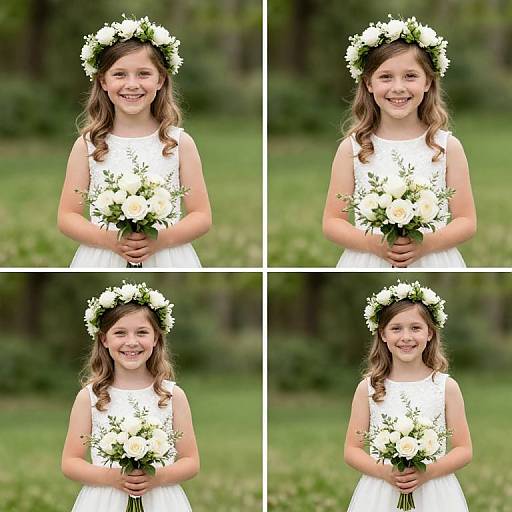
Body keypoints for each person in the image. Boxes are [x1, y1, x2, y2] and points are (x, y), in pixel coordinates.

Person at [323, 16, 476, 267]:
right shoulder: (353, 148)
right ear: (368, 84)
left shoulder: (447, 147)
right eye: (385, 77)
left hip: (432, 257)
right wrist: (372, 243)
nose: (398, 87)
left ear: (427, 82)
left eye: (410, 76)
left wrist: (426, 244)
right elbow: (332, 222)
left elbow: (467, 221)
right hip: (369, 258)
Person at [58, 16, 211, 267]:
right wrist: (111, 241)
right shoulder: (88, 145)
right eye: (119, 74)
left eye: (143, 74)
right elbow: (67, 216)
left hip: (166, 256)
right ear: (103, 81)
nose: (132, 84)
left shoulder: (179, 143)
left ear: (160, 80)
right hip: (104, 255)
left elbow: (201, 215)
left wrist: (160, 240)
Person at [62, 282, 199, 511]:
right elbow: (70, 462)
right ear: (104, 340)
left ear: (156, 338)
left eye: (142, 332)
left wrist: (157, 477)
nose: (132, 342)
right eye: (120, 333)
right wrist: (114, 477)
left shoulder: (173, 395)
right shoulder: (90, 397)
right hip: (105, 500)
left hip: (161, 501)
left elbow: (191, 461)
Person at [344, 280, 471, 511]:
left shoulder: (446, 386)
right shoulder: (368, 388)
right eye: (396, 328)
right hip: (381, 491)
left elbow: (464, 449)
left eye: (415, 328)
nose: (406, 337)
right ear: (382, 334)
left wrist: (427, 472)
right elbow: (352, 449)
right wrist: (383, 471)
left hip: (434, 490)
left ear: (430, 333)